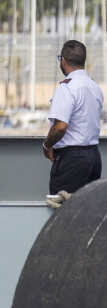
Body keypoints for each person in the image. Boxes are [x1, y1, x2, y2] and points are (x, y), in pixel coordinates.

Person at [45, 39, 104, 195]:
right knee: (87, 206)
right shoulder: (94, 87)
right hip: (94, 157)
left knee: (63, 205)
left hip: (72, 160)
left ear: (63, 61)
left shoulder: (67, 87)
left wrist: (47, 146)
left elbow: (60, 127)